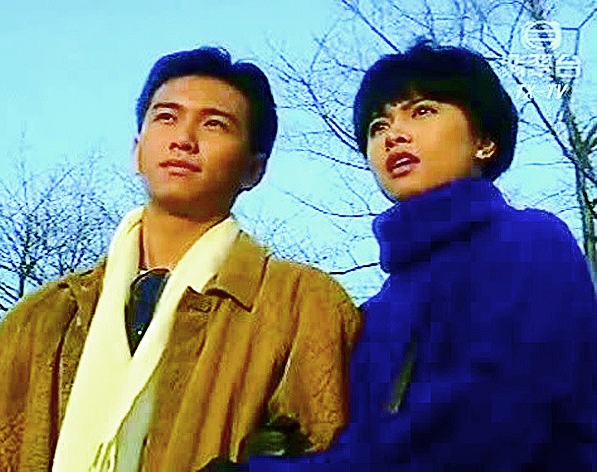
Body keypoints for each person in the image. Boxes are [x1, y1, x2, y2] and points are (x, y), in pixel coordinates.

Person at [0, 47, 362, 471]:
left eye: (214, 124)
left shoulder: (302, 305)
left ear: (254, 169)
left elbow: (337, 450)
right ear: (137, 151)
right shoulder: (45, 316)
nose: (183, 140)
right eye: (166, 117)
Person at [249, 41, 597, 470]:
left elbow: (485, 428)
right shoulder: (375, 311)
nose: (393, 135)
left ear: (484, 141)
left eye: (423, 111)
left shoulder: (529, 242)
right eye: (377, 126)